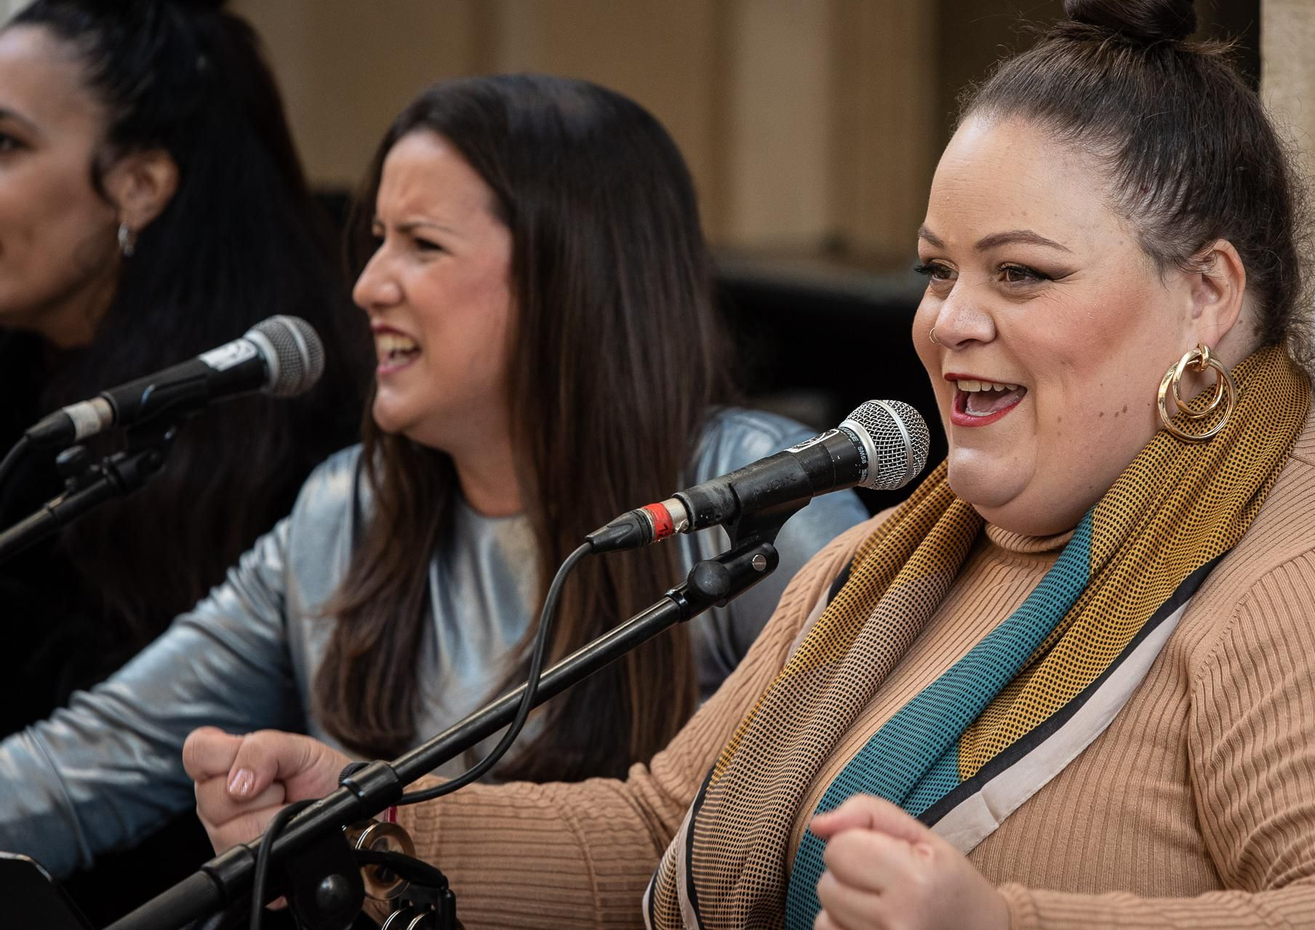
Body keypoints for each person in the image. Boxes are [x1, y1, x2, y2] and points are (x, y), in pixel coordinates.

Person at [189, 0, 1315, 930]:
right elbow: (654, 832)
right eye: (937, 271)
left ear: (1208, 299)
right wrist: (370, 822)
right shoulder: (909, 551)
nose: (947, 322)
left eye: (1021, 275)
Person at [0, 75, 868, 887]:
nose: (370, 284)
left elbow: (860, 813)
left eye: (421, 245)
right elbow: (89, 763)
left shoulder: (758, 496)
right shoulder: (345, 512)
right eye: (377, 240)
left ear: (572, 277)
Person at [0, 0, 364, 916]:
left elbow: (126, 774)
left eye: (5, 144)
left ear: (142, 183)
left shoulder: (274, 436)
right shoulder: (23, 377)